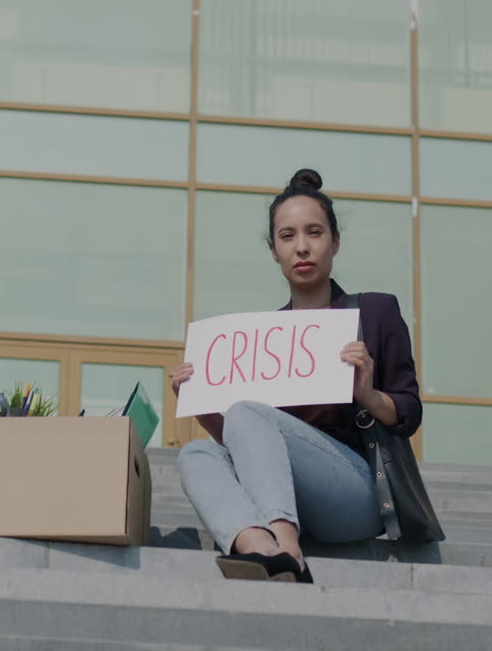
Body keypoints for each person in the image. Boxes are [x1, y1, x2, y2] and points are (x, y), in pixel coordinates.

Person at [171, 168, 422, 584]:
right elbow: (247, 443)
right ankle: (259, 549)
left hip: (355, 495)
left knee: (249, 412)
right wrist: (200, 405)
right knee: (195, 454)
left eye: (314, 233)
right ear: (273, 250)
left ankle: (289, 550)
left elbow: (410, 411)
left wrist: (367, 393)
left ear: (335, 241)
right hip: (282, 497)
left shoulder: (375, 312)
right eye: (287, 237)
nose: (302, 248)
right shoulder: (262, 339)